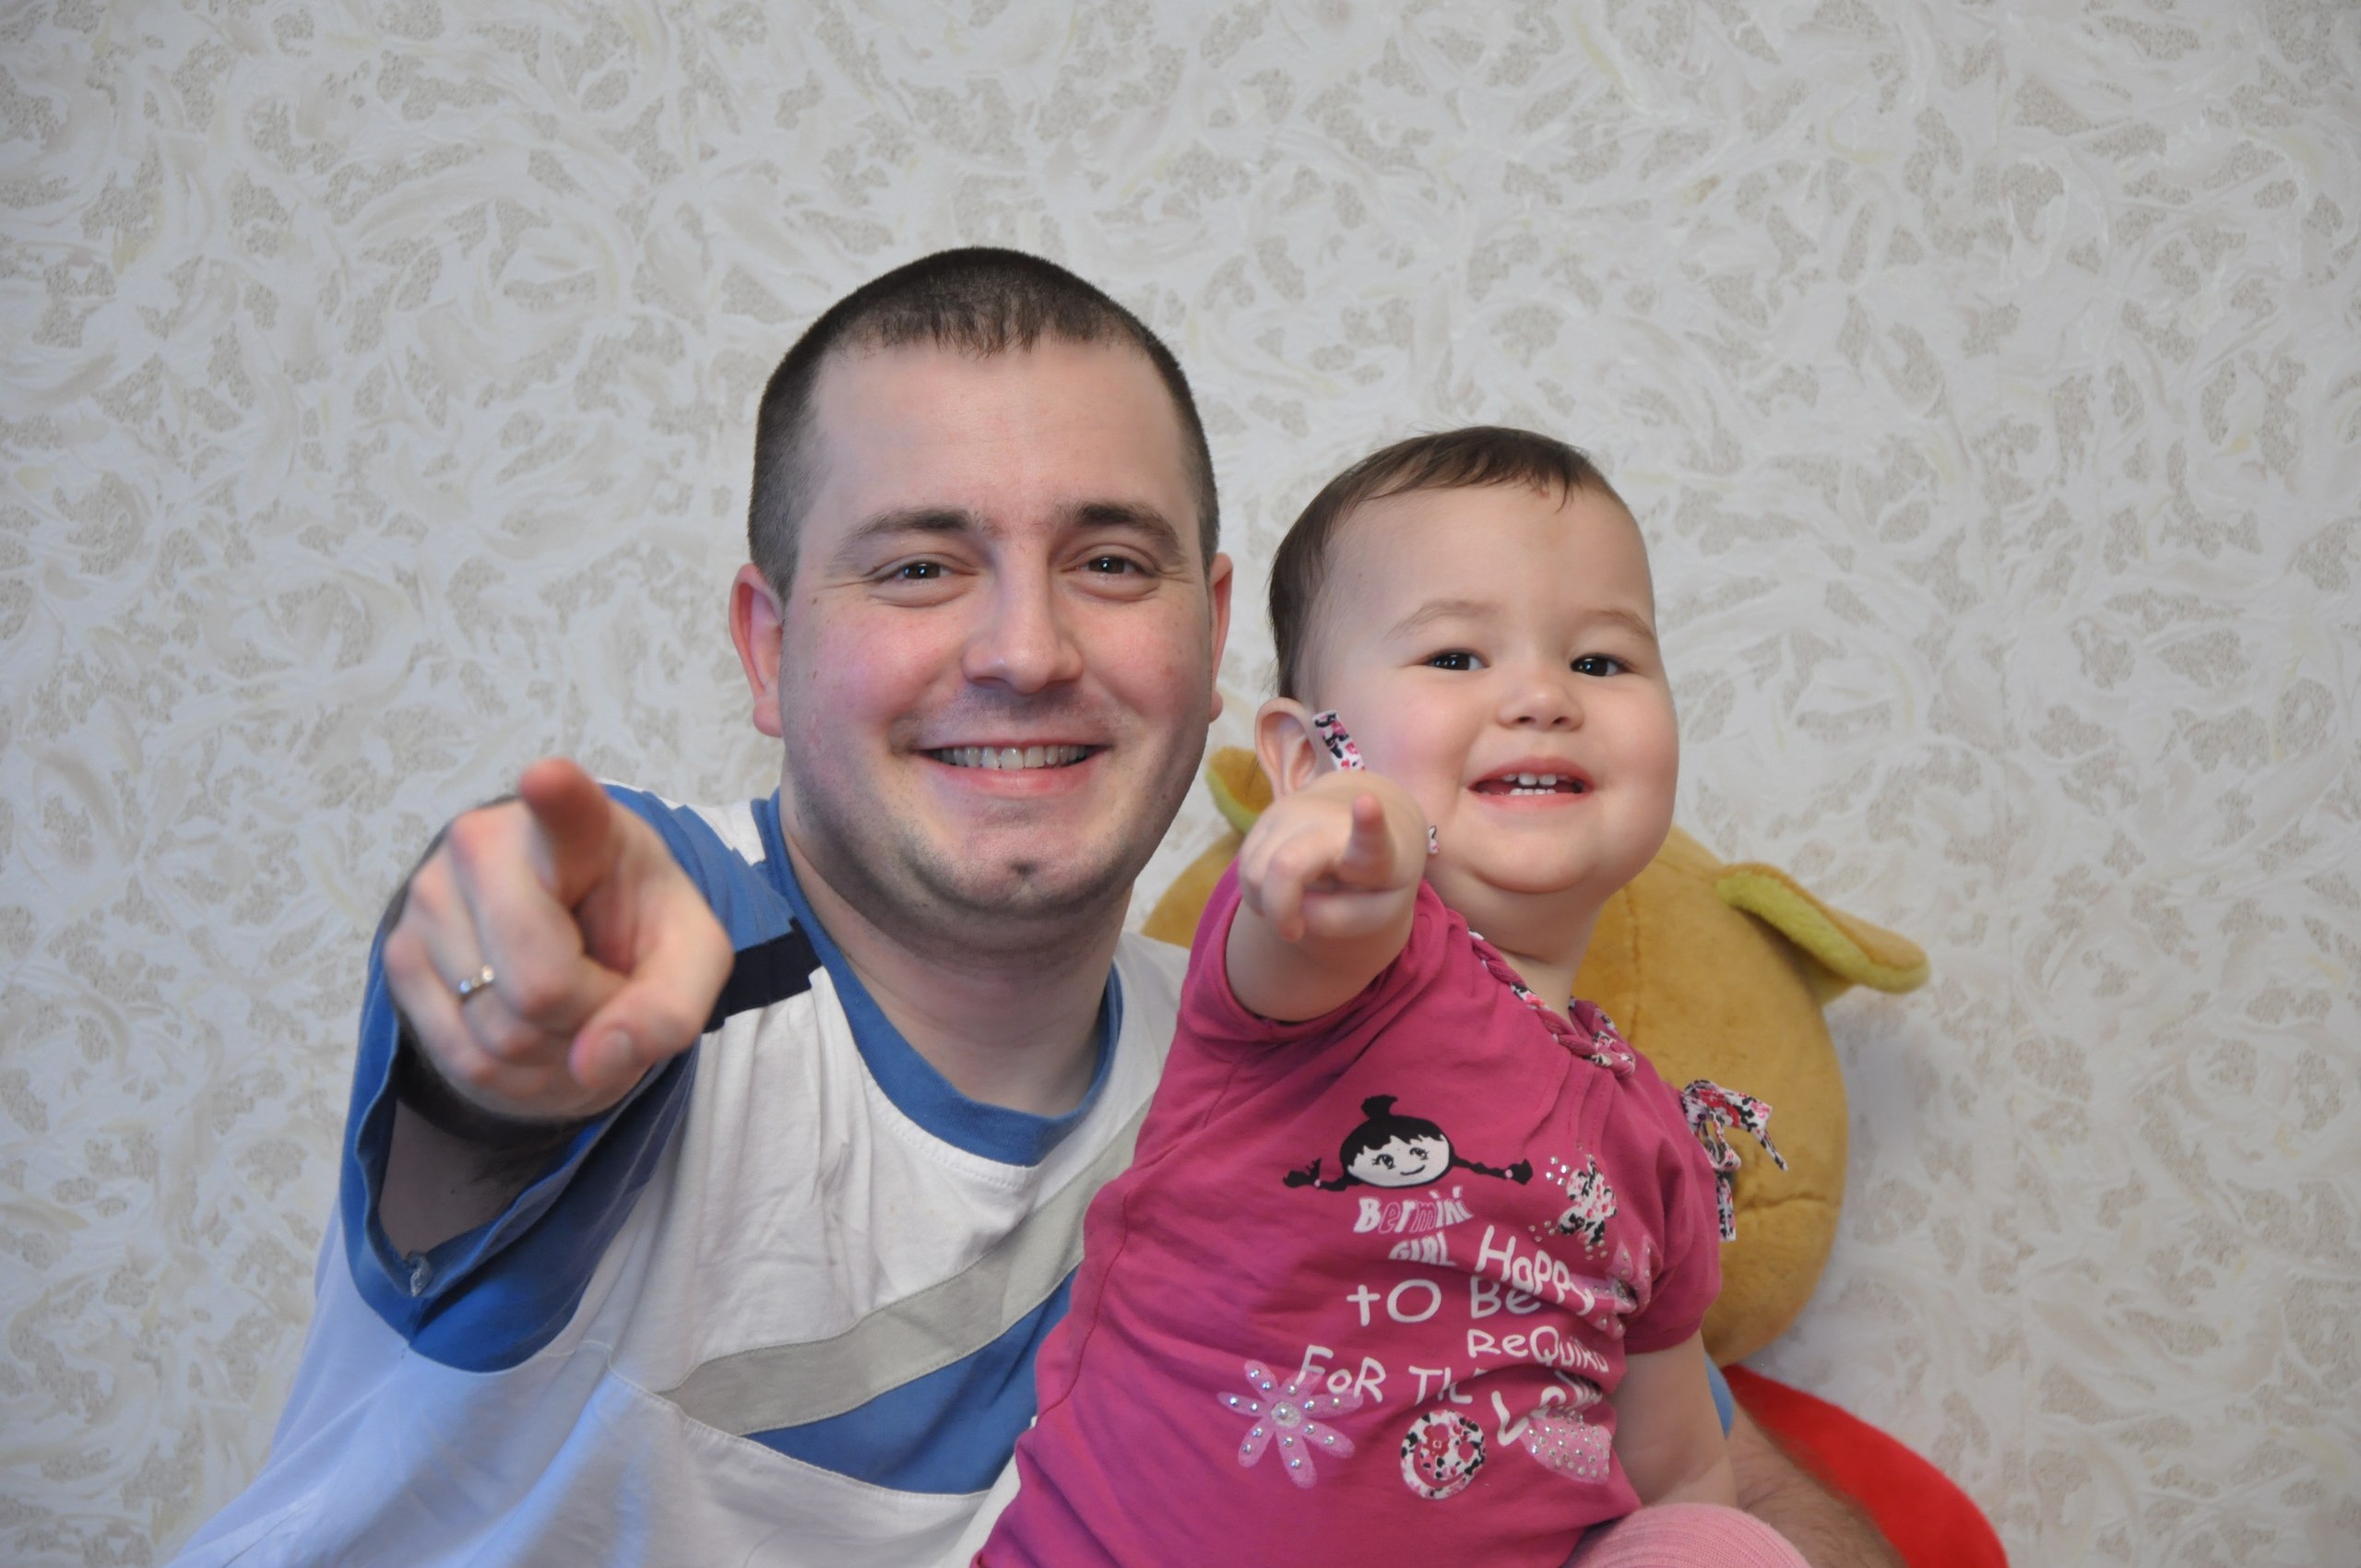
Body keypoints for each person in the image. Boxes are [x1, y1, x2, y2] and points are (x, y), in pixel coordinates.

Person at [172, 250, 1899, 1568]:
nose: (1024, 648)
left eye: (1110, 563)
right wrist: (498, 1012)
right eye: (921, 565)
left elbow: (1720, 1482)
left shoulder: (1318, 1076)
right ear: (769, 646)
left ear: (1210, 639)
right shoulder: (665, 939)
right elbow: (504, 1027)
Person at [980, 428, 1805, 1566]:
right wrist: (1346, 834)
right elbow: (1319, 921)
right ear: (1309, 754)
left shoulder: (1651, 1136)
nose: (1542, 696)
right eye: (1456, 656)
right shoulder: (1346, 970)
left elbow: (1678, 1467)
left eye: (1602, 661)